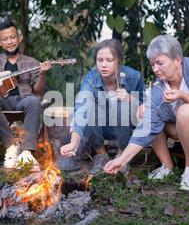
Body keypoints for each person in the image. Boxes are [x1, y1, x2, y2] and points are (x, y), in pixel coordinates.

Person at [104, 34, 189, 190]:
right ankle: (167, 166)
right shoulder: (159, 87)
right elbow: (146, 126)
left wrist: (183, 96)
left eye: (160, 63)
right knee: (146, 111)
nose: (155, 69)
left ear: (177, 60)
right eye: (152, 64)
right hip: (178, 126)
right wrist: (122, 160)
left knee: (185, 111)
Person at [60, 39, 145, 175]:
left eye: (109, 60)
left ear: (119, 62)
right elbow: (82, 108)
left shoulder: (133, 77)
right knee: (90, 106)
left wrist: (129, 98)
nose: (103, 65)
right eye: (100, 60)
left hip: (127, 126)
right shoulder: (91, 79)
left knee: (121, 103)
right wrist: (74, 141)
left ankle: (122, 156)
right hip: (101, 128)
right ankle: (101, 156)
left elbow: (145, 105)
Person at [0, 20, 52, 170]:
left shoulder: (32, 62)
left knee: (34, 100)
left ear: (19, 38)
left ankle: (27, 153)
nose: (9, 42)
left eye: (12, 37)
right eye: (5, 39)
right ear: (0, 42)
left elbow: (38, 90)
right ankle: (11, 149)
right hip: (2, 101)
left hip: (24, 100)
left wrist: (42, 74)